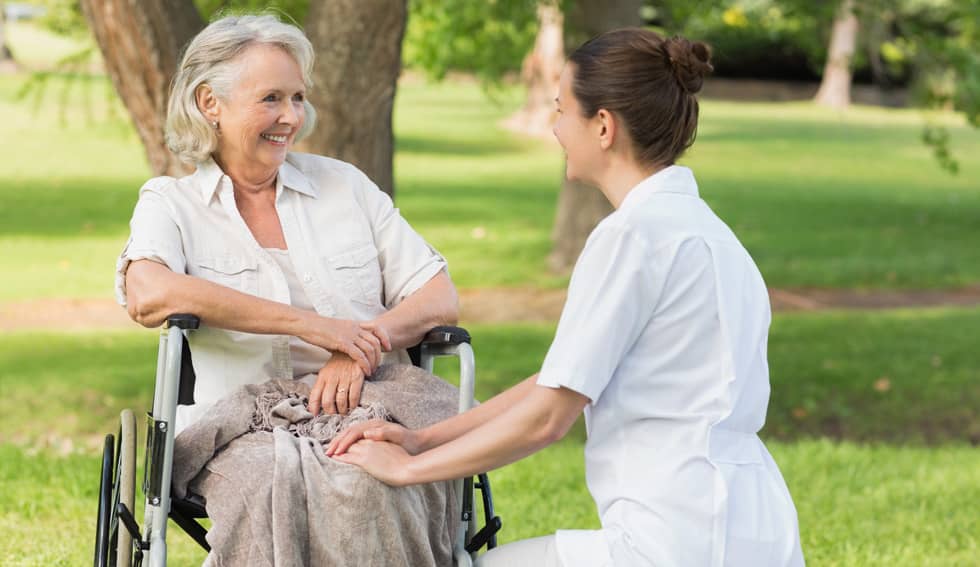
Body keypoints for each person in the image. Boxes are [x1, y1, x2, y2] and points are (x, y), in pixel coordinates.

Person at [328, 28, 806, 567]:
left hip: (672, 540)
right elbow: (559, 381)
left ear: (603, 126)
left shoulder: (632, 237)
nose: (554, 128)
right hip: (759, 532)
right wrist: (423, 439)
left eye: (561, 110)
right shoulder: (712, 234)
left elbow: (547, 418)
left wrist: (409, 469)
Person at [116, 14, 458, 433]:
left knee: (371, 464)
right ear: (210, 103)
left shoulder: (345, 185)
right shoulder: (171, 204)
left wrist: (357, 348)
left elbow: (439, 296)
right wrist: (314, 325)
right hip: (247, 427)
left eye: (297, 97)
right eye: (271, 99)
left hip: (372, 406)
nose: (291, 117)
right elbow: (148, 294)